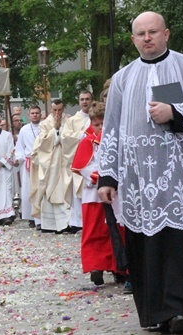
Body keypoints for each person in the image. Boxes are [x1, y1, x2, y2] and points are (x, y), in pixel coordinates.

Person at [97, 11, 183, 334]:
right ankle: (156, 312)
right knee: (148, 247)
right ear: (133, 40)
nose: (147, 38)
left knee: (180, 245)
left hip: (180, 176)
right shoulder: (123, 79)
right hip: (139, 180)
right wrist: (108, 177)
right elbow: (110, 131)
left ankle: (182, 310)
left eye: (153, 31)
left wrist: (175, 113)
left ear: (166, 34)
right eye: (141, 34)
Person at [71, 101, 127, 287]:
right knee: (95, 231)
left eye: (104, 124)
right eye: (97, 124)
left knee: (115, 230)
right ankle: (96, 267)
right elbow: (82, 165)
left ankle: (118, 267)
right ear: (91, 123)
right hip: (93, 194)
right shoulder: (86, 141)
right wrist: (100, 176)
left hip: (114, 193)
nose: (101, 128)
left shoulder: (115, 139)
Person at [29, 99, 70, 233]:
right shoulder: (44, 123)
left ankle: (67, 223)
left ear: (63, 109)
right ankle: (50, 224)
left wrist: (61, 130)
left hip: (64, 161)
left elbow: (70, 138)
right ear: (50, 109)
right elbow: (43, 142)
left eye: (60, 110)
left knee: (65, 190)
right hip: (50, 162)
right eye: (54, 110)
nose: (57, 113)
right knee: (49, 190)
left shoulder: (69, 120)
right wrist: (55, 130)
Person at [61, 90, 93, 234]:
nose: (85, 102)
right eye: (82, 99)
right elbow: (65, 138)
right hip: (78, 160)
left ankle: (89, 221)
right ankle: (77, 222)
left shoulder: (96, 117)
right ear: (79, 101)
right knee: (77, 192)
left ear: (91, 100)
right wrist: (81, 135)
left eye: (87, 99)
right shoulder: (73, 120)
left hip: (93, 160)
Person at [15, 105, 42, 228]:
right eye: (33, 113)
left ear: (40, 114)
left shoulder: (45, 127)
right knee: (28, 191)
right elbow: (20, 148)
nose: (35, 115)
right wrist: (20, 158)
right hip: (29, 163)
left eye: (37, 113)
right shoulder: (24, 130)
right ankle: (31, 217)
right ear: (29, 115)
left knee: (41, 190)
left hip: (42, 162)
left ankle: (42, 218)